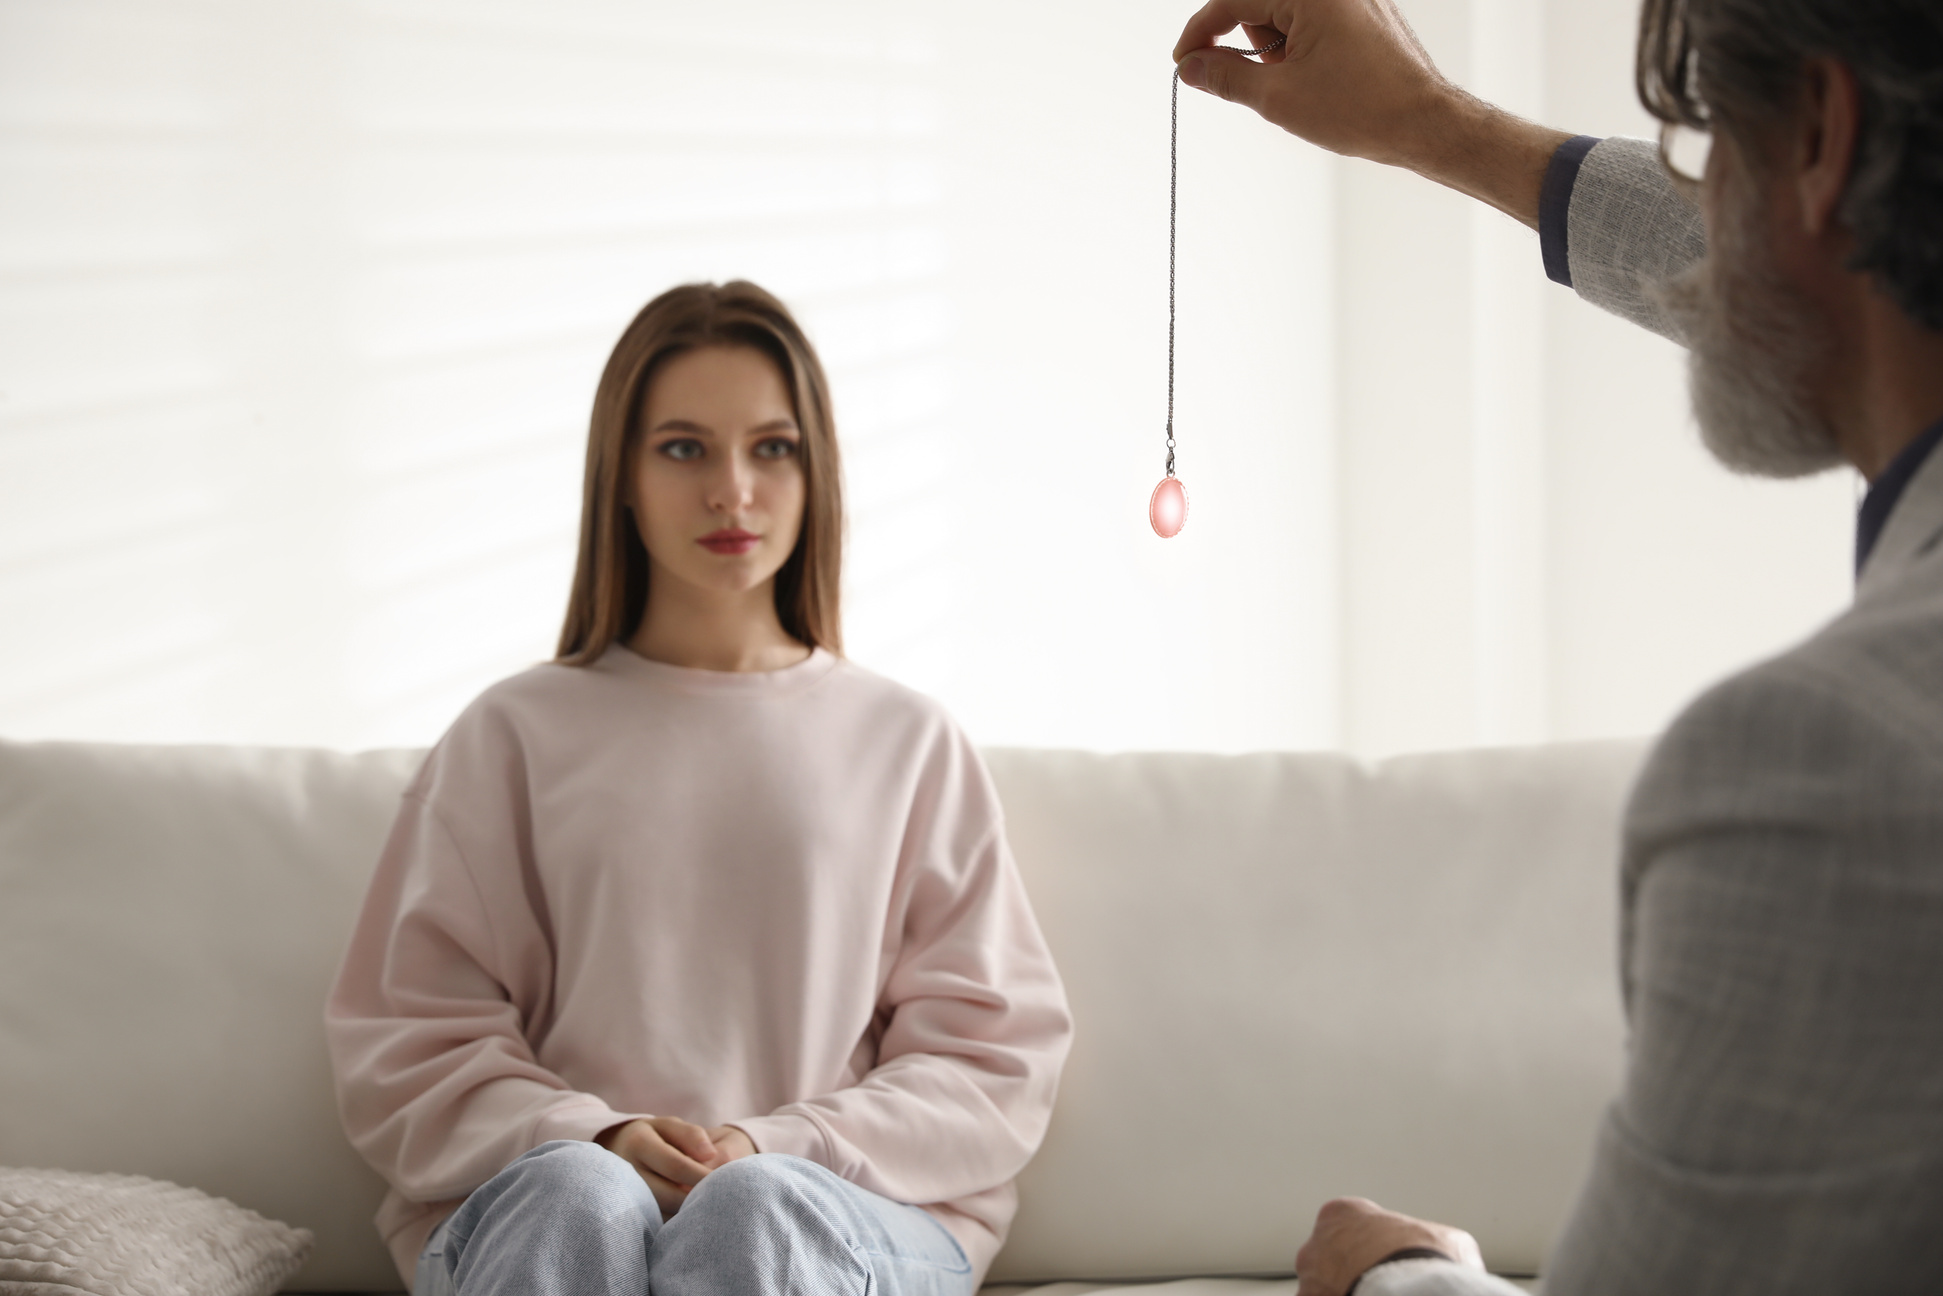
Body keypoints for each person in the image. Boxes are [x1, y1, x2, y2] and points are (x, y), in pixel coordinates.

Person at [1171, 1, 1943, 1293]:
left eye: (1706, 146)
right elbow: (1759, 273)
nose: (1701, 215)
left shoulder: (1831, 762)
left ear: (1816, 133)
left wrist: (1406, 1276)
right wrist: (1430, 126)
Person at [324, 281, 1073, 1296]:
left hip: (834, 1213)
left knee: (748, 1211)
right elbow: (409, 1041)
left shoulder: (907, 744)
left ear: (816, 474)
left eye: (771, 448)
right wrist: (600, 1136)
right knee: (579, 1196)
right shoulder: (509, 737)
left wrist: (777, 1147)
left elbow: (991, 1059)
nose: (732, 490)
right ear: (620, 478)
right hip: (549, 1204)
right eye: (683, 448)